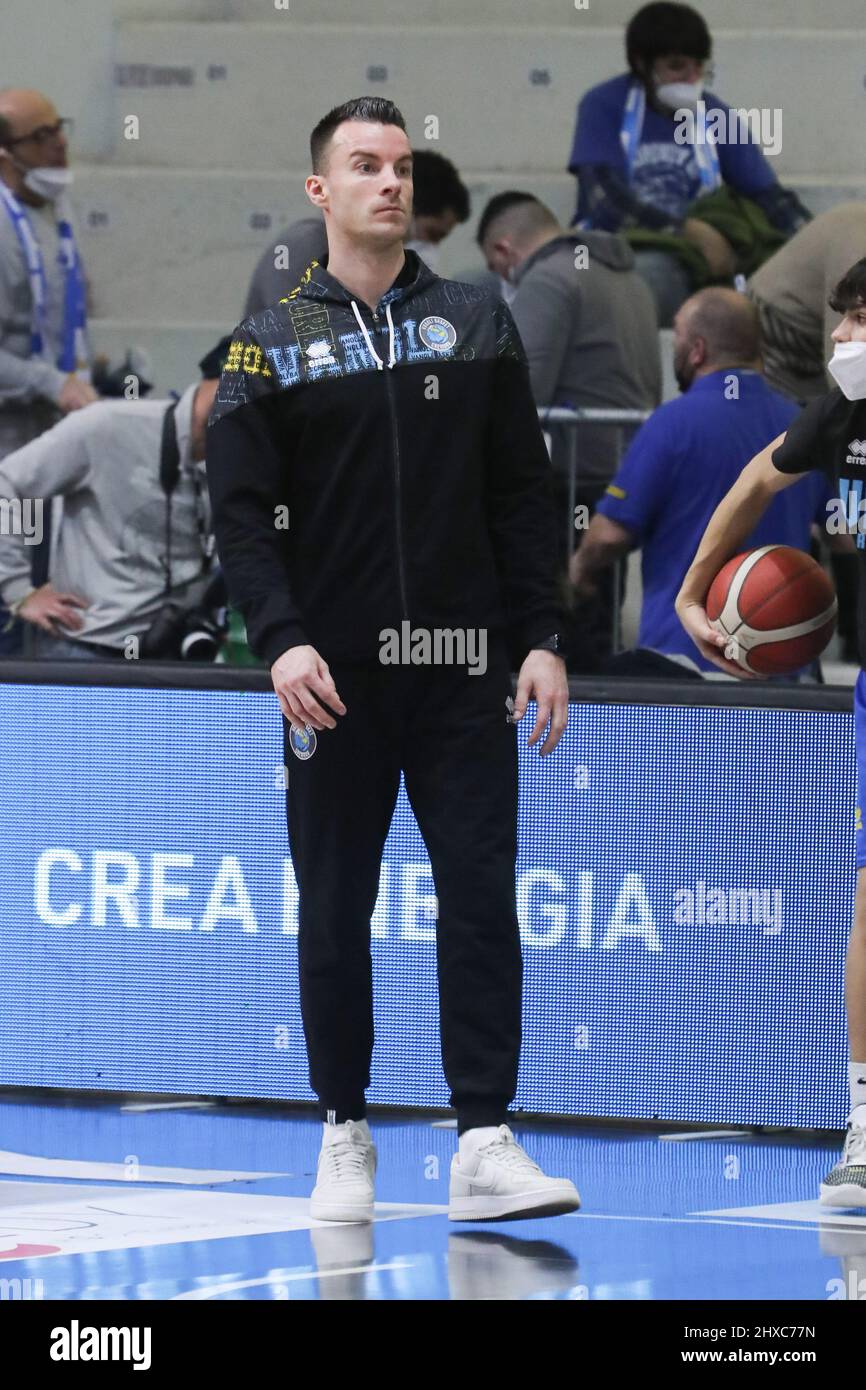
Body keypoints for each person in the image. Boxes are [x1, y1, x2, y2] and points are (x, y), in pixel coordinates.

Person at [206, 96, 581, 1224]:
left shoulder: (475, 321)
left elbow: (522, 495)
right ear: (318, 192)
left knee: (478, 899)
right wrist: (278, 640)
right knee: (335, 905)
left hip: (465, 670)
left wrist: (541, 639)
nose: (390, 182)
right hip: (331, 681)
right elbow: (237, 516)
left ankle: (483, 1137)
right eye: (363, 166)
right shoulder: (262, 344)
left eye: (402, 165)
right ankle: (344, 1129)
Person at [676, 258, 866, 1207]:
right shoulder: (849, 402)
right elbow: (759, 480)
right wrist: (687, 587)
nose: (835, 342)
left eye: (849, 325)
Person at [570, 288, 846, 678]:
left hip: (683, 657)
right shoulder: (801, 425)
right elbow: (844, 535)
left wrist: (578, 570)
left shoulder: (671, 424)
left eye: (678, 338)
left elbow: (609, 536)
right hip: (781, 663)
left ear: (697, 349)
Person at [478, 190, 660, 667]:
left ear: (503, 251)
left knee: (554, 631)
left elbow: (519, 390)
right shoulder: (630, 280)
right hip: (621, 480)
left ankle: (560, 736)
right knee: (597, 625)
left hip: (566, 483)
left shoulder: (549, 280)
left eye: (499, 272)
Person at [567, 2, 810, 326]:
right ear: (641, 64)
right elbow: (606, 202)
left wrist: (814, 241)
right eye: (677, 66)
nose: (691, 79)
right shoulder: (603, 104)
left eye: (698, 67)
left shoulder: (715, 114)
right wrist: (688, 231)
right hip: (618, 249)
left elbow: (769, 197)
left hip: (690, 261)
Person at [0, 339, 229, 659]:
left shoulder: (241, 454)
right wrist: (18, 591)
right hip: (83, 653)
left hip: (171, 656)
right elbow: (6, 482)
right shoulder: (107, 425)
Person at [0, 88, 97, 652]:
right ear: (5, 152)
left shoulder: (54, 216)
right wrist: (51, 382)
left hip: (44, 454)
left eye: (59, 127)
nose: (59, 143)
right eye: (41, 135)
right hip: (8, 449)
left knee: (38, 602)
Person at [243, 148, 470, 316]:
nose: (429, 247)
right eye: (430, 234)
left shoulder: (376, 259)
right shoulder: (310, 244)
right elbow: (290, 338)